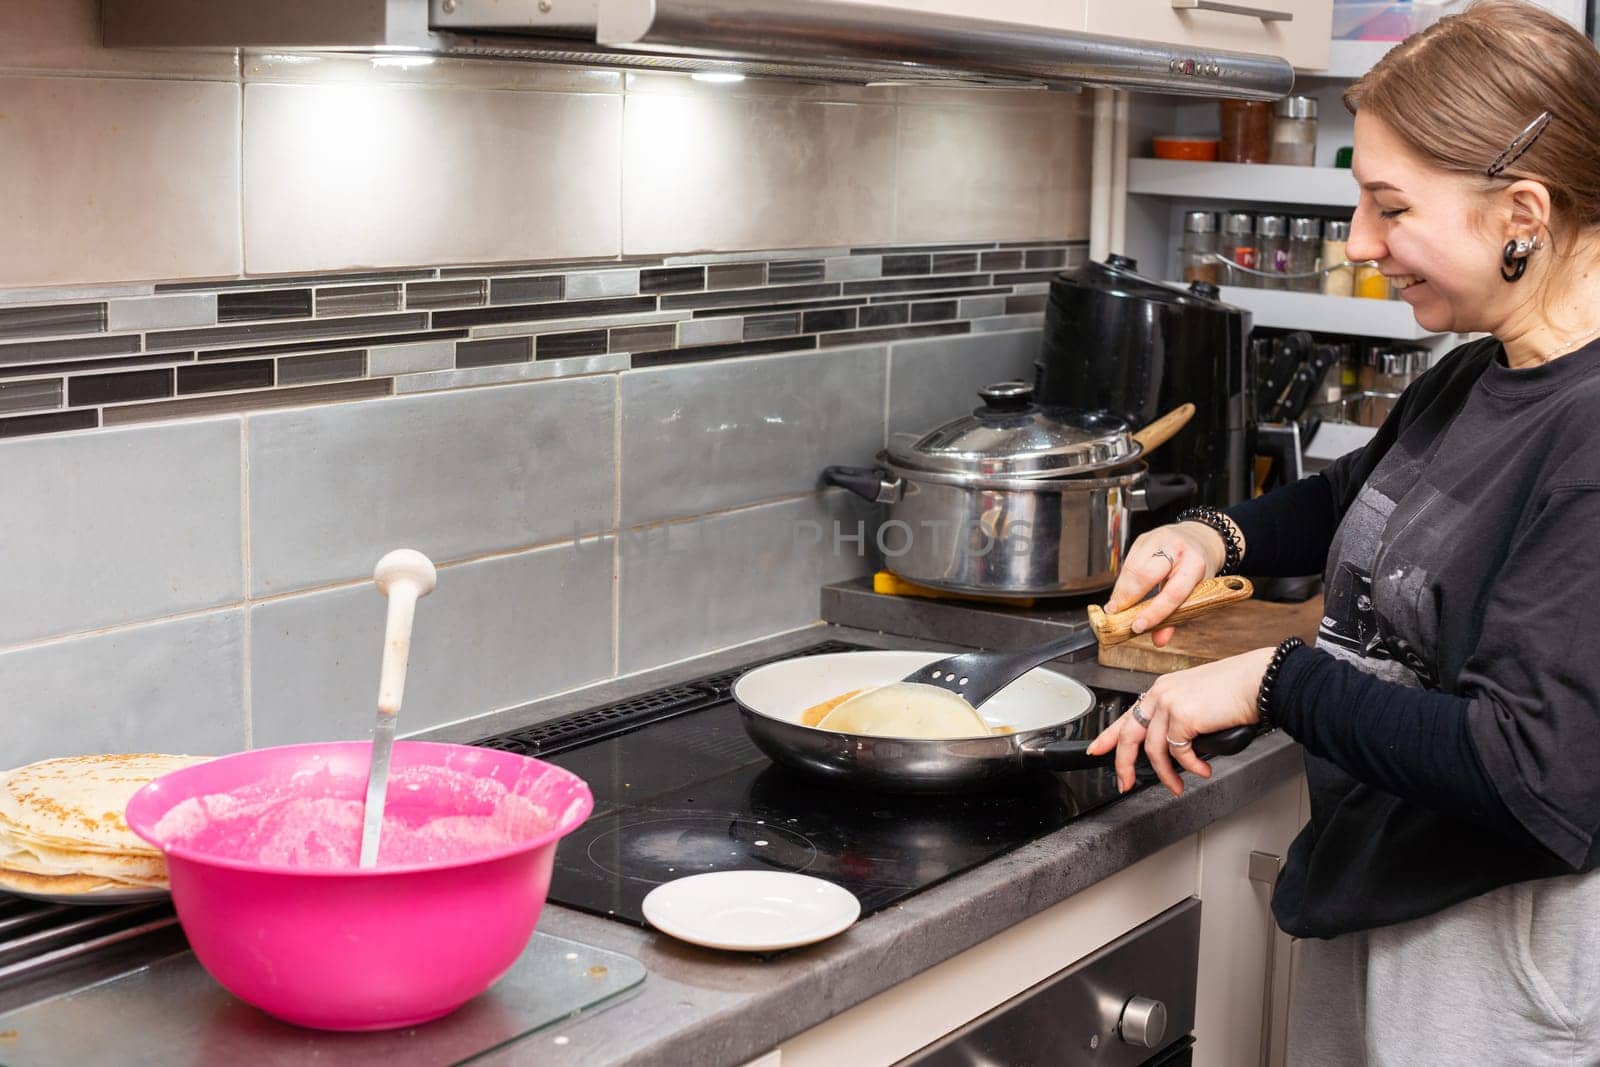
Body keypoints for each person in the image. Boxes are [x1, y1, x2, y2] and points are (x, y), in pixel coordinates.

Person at [1083, 1, 1600, 1061]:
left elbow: (1531, 771)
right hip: (1377, 885)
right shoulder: (1480, 370)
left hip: (1494, 955)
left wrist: (1272, 682)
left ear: (1523, 212)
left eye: (1389, 207)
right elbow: (1356, 498)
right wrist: (1215, 536)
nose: (1361, 245)